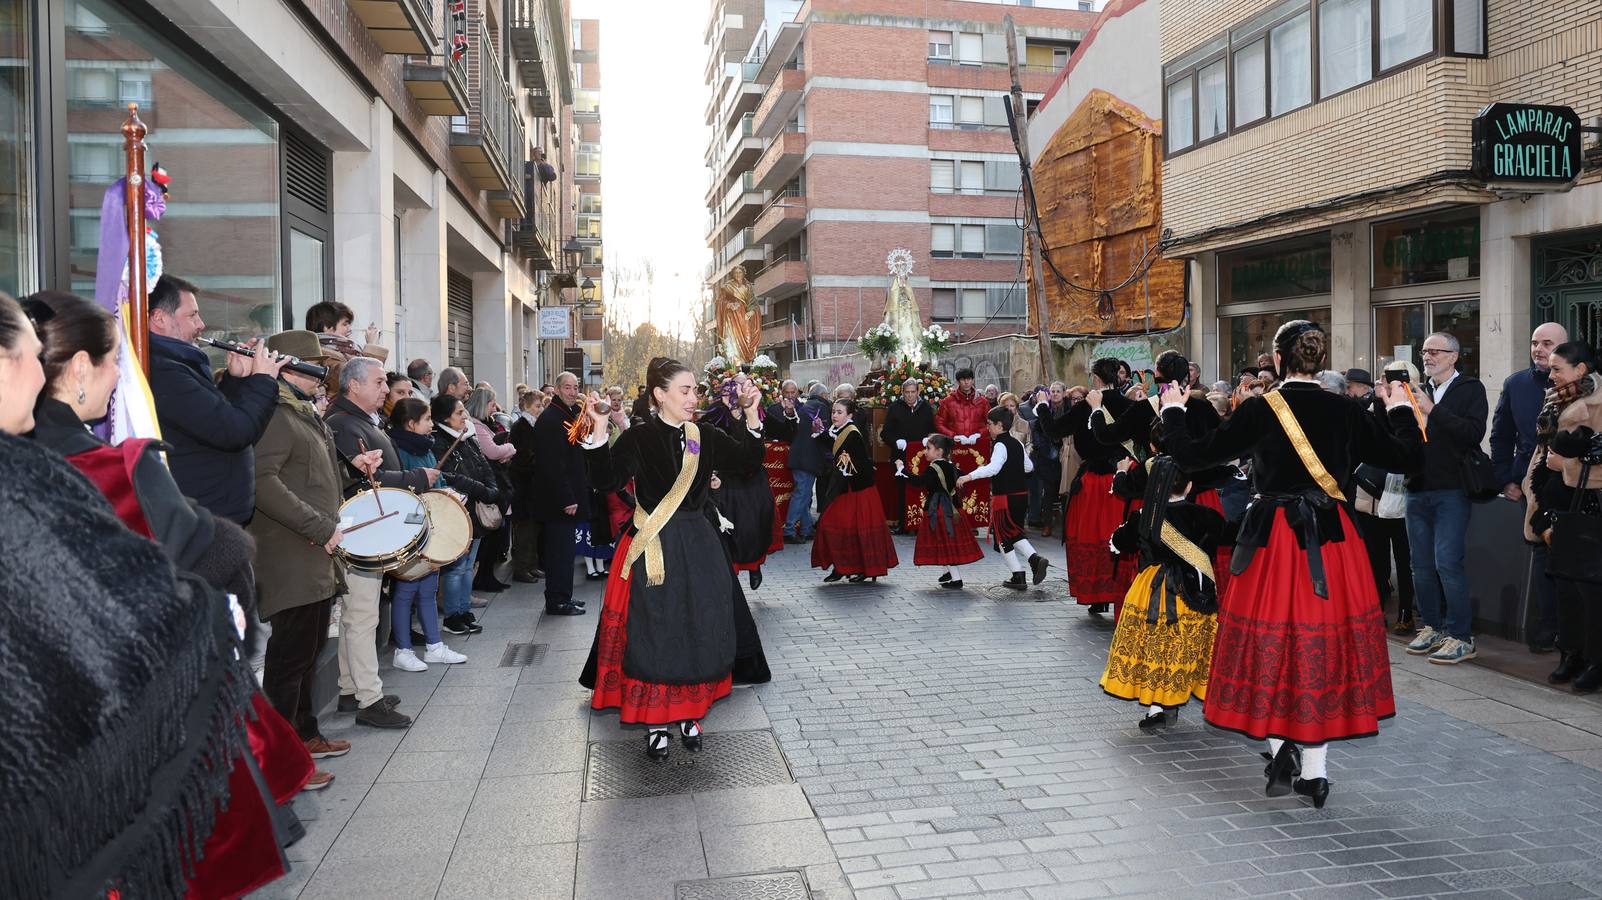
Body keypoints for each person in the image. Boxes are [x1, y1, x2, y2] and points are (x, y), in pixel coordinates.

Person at [22, 295, 319, 896]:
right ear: (79, 367)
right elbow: (199, 566)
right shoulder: (113, 468)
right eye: (116, 364)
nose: (120, 380)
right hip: (130, 730)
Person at [1159, 320, 1423, 809]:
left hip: (1272, 538)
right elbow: (1408, 456)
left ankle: (1281, 750)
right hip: (1333, 540)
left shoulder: (1262, 408)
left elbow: (1193, 457)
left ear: (1278, 360)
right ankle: (1315, 774)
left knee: (1269, 641)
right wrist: (1403, 407)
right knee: (1319, 647)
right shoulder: (1345, 408)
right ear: (1319, 361)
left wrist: (1173, 412)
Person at [576, 358, 767, 758]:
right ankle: (657, 722)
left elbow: (747, 463)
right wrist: (597, 429)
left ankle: (690, 714)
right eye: (685, 390)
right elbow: (604, 481)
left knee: (700, 624)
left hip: (699, 546)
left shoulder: (706, 436)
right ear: (659, 394)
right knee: (657, 629)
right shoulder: (639, 438)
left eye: (695, 390)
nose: (693, 397)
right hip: (655, 546)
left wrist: (751, 414)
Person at [249, 329, 379, 788]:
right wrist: (319, 526)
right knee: (288, 663)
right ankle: (283, 766)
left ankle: (305, 736)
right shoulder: (277, 414)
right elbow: (263, 484)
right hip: (293, 553)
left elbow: (309, 475)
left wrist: (351, 469)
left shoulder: (302, 411)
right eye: (318, 364)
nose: (327, 373)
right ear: (293, 367)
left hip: (314, 553)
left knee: (306, 655)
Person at [324, 356, 436, 728]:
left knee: (360, 616)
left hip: (368, 531)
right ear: (353, 386)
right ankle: (368, 699)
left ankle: (349, 689)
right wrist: (417, 476)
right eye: (378, 383)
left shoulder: (357, 419)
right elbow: (363, 479)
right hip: (360, 533)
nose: (386, 389)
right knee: (361, 617)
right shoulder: (340, 423)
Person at [147, 273, 286, 522]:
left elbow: (213, 420)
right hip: (199, 522)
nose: (201, 324)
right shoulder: (165, 371)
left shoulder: (178, 362)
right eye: (192, 315)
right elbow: (234, 432)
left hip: (210, 517)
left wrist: (237, 380)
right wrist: (263, 381)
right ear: (159, 318)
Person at [1100, 457, 1223, 730]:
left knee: (1155, 647)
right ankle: (1184, 696)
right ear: (1189, 487)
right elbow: (1226, 538)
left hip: (1153, 588)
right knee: (1185, 646)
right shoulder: (1208, 516)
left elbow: (1119, 543)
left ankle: (1157, 708)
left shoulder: (1144, 517)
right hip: (1194, 591)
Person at [1403, 331, 1489, 665]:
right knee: (1420, 565)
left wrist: (1432, 410)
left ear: (1453, 356)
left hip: (1451, 489)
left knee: (1447, 563)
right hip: (1417, 487)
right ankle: (1432, 626)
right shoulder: (1416, 391)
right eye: (1424, 351)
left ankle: (1462, 636)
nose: (1427, 356)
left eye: (1434, 351)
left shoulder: (1470, 389)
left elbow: (1472, 433)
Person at [1522, 341, 1602, 692]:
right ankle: (1571, 653)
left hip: (1589, 508)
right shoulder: (1556, 400)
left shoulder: (1597, 405)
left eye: (1558, 368)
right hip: (1557, 507)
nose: (1550, 374)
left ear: (1580, 369)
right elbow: (1541, 452)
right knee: (1565, 587)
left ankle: (1596, 660)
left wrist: (1564, 465)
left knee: (1591, 592)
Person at [1494, 322, 1569, 654]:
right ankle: (1546, 629)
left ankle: (1574, 635)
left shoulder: (1584, 388)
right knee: (1541, 555)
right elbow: (1500, 435)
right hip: (1532, 484)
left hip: (1574, 484)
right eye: (1535, 342)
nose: (1538, 348)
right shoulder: (1516, 384)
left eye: (1547, 343)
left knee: (1573, 558)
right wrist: (1506, 479)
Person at [386, 397, 470, 670]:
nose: (432, 425)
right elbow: (398, 487)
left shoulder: (427, 449)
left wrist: (448, 493)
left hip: (432, 527)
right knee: (406, 588)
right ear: (411, 424)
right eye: (427, 420)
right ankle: (403, 649)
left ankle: (434, 645)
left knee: (428, 589)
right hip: (409, 528)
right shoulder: (398, 449)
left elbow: (440, 479)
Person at [1057, 358, 1135, 615]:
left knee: (1091, 535)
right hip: (1123, 478)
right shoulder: (1129, 405)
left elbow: (1053, 430)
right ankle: (1120, 592)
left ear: (1096, 378)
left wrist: (1044, 407)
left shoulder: (1084, 408)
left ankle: (1096, 595)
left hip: (1092, 482)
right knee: (1119, 535)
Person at [1352, 360, 1420, 633]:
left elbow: (1407, 444)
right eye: (1384, 377)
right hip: (1371, 495)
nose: (1387, 384)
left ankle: (1406, 612)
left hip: (1402, 495)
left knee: (1404, 559)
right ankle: (1376, 608)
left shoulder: (1417, 405)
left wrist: (1397, 404)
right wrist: (1379, 402)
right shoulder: (1372, 405)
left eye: (1393, 379)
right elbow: (1371, 437)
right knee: (1375, 557)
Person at [431, 393, 504, 633]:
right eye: (459, 413)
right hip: (458, 512)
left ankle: (464, 610)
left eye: (464, 411)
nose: (465, 416)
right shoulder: (439, 441)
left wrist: (492, 489)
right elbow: (450, 475)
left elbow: (484, 465)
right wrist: (482, 490)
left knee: (469, 563)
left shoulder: (468, 436)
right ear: (444, 418)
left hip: (476, 512)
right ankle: (453, 615)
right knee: (456, 568)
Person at [958, 406, 1049, 590]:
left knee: (1003, 538)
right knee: (1014, 533)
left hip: (1004, 497)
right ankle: (1030, 564)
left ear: (1000, 425)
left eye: (990, 424)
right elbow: (1028, 467)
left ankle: (1021, 572)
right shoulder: (1017, 443)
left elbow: (993, 469)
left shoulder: (1000, 444)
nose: (988, 427)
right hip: (1021, 496)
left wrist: (968, 476)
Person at [703, 374, 778, 589]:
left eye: (742, 386)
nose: (736, 393)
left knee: (752, 528)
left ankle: (754, 566)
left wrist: (745, 415)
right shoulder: (713, 417)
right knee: (728, 528)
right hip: (726, 481)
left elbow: (752, 451)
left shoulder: (757, 412)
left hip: (752, 482)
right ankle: (731, 575)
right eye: (732, 388)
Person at [812, 397, 899, 583]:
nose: (834, 415)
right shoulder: (840, 430)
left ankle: (867, 569)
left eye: (839, 412)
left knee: (858, 529)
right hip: (845, 487)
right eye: (833, 412)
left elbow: (850, 458)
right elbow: (835, 446)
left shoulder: (851, 432)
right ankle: (842, 566)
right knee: (835, 526)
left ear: (849, 415)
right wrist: (820, 432)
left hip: (859, 489)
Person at [530, 372, 589, 616]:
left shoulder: (566, 414)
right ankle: (557, 600)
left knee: (565, 553)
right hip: (558, 501)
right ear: (556, 389)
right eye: (568, 387)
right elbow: (553, 465)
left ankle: (564, 596)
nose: (573, 392)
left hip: (566, 497)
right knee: (559, 553)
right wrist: (567, 498)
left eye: (576, 387)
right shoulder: (551, 418)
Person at [896, 433, 982, 588]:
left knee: (945, 543)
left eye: (928, 448)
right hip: (954, 509)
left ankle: (956, 579)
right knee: (945, 541)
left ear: (939, 451)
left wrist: (902, 470)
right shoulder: (951, 466)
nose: (926, 451)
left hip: (940, 511)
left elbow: (918, 482)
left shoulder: (933, 468)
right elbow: (961, 479)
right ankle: (947, 573)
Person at [466, 386, 515, 593]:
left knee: (495, 536)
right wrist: (511, 448)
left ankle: (488, 576)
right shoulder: (476, 425)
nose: (495, 408)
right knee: (489, 537)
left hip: (497, 484)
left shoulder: (486, 424)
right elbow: (493, 451)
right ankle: (483, 578)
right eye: (492, 403)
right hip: (489, 487)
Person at [769, 381, 828, 543]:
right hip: (808, 458)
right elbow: (825, 433)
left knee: (805, 493)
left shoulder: (804, 407)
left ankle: (807, 528)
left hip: (798, 457)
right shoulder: (820, 407)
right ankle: (789, 530)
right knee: (802, 494)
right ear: (824, 396)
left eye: (793, 392)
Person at [880, 378, 937, 532]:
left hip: (922, 456)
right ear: (902, 393)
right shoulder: (895, 408)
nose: (910, 396)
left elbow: (933, 428)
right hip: (901, 455)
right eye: (907, 393)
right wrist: (895, 441)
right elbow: (885, 433)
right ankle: (903, 524)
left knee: (923, 488)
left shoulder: (925, 407)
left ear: (918, 392)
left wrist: (929, 438)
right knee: (902, 489)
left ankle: (922, 524)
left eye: (913, 392)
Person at [509, 387, 546, 583]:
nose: (541, 409)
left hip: (533, 486)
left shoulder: (533, 425)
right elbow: (522, 457)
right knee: (525, 529)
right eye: (537, 405)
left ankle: (532, 564)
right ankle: (521, 568)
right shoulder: (521, 426)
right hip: (523, 485)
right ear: (526, 406)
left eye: (541, 405)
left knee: (534, 529)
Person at [306, 300, 387, 367]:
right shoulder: (325, 355)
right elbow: (365, 377)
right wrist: (372, 345)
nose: (349, 329)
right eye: (345, 324)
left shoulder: (345, 351)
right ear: (326, 327)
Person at [936, 367, 991, 451]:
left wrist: (979, 434)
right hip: (954, 446)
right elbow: (939, 423)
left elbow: (991, 423)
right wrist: (953, 435)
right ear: (958, 382)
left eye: (968, 379)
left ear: (973, 380)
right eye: (963, 379)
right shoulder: (948, 401)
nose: (966, 382)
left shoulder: (983, 401)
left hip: (978, 445)